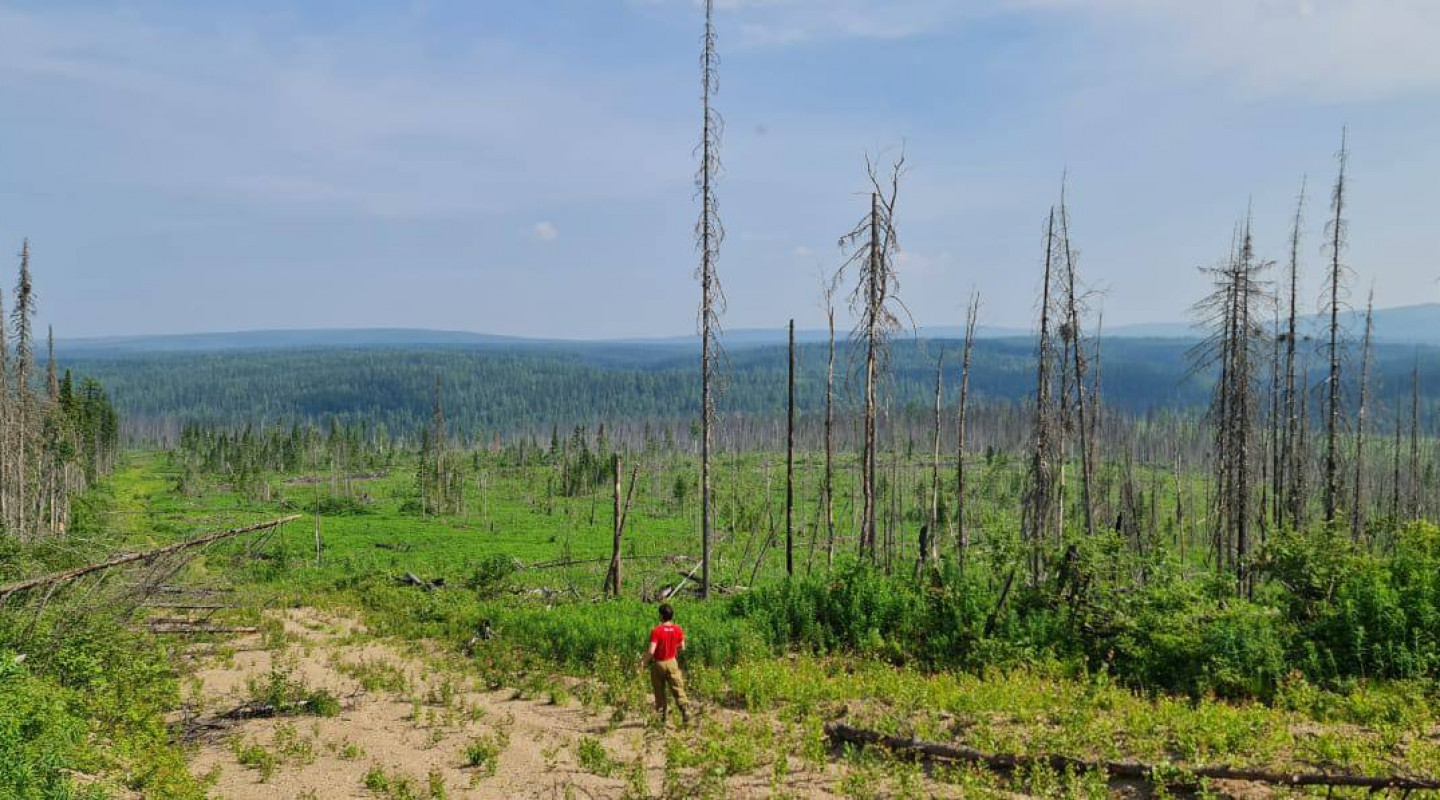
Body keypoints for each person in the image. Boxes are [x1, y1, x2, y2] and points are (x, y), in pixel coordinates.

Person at [643, 602, 689, 725]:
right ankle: (684, 709)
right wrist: (673, 648)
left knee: (659, 691)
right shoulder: (677, 629)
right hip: (672, 662)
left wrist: (643, 663)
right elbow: (682, 647)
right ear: (671, 616)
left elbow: (651, 650)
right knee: (677, 687)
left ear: (661, 616)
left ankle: (662, 716)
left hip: (659, 663)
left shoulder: (656, 630)